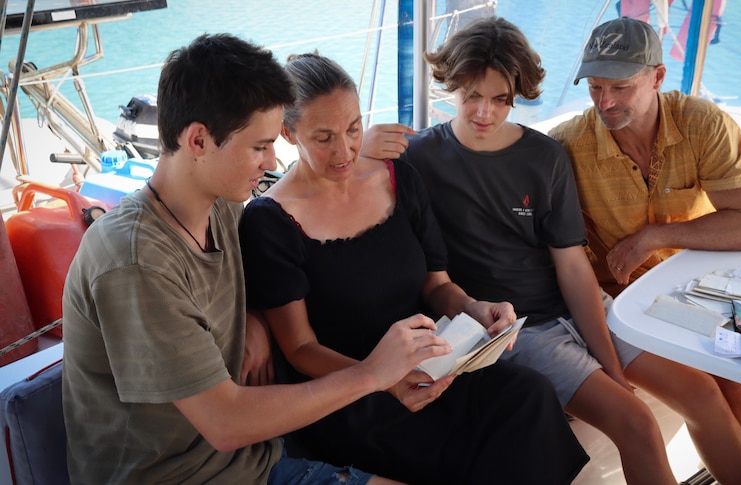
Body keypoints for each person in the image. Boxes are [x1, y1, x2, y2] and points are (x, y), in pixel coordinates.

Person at [362, 16, 741, 485]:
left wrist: (612, 368)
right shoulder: (419, 157)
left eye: (500, 100)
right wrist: (366, 146)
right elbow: (334, 178)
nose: (484, 113)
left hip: (584, 306)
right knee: (637, 423)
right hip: (516, 329)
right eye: (471, 94)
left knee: (702, 394)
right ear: (451, 86)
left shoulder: (545, 155)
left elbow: (574, 270)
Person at [61, 33, 455, 485]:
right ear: (198, 140)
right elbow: (225, 423)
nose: (271, 162)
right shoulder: (136, 261)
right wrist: (372, 374)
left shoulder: (222, 206)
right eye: (259, 147)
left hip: (257, 458)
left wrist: (255, 316)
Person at [237, 52, 588, 485]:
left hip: (431, 367)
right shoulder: (270, 221)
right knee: (457, 446)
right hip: (352, 392)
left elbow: (436, 284)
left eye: (353, 129)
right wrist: (383, 379)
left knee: (528, 396)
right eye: (323, 137)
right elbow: (300, 350)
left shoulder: (399, 178)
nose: (345, 150)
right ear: (289, 133)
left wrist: (476, 308)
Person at [547, 17, 741, 485]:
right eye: (595, 87)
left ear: (658, 78)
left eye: (621, 87)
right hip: (626, 300)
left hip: (703, 283)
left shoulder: (703, 123)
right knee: (716, 389)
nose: (605, 102)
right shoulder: (565, 145)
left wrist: (650, 236)